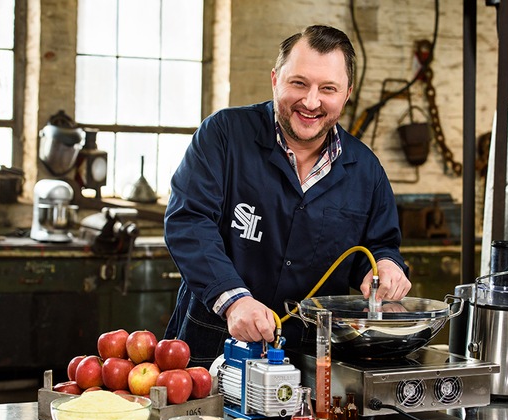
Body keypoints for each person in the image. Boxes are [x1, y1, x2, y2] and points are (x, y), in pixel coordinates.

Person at [163, 25, 411, 369]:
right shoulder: (223, 135)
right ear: (275, 79)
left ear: (347, 93)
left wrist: (386, 267)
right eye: (299, 83)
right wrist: (234, 301)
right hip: (214, 341)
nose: (311, 102)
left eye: (328, 89)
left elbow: (380, 246)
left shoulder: (366, 170)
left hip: (310, 356)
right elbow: (189, 222)